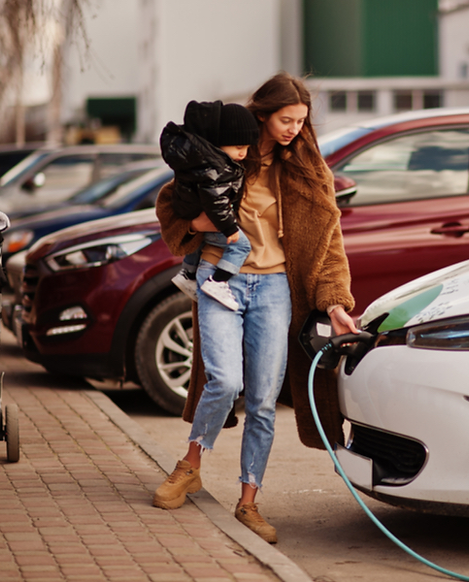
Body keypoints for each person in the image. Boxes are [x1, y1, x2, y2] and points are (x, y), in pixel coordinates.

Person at [152, 73, 359, 544]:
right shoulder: (224, 149)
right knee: (224, 380)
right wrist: (195, 224)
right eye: (286, 119)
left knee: (264, 401)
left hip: (274, 290)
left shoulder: (307, 170)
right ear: (262, 114)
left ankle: (249, 500)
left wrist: (335, 303)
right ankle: (190, 465)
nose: (294, 129)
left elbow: (330, 245)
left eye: (301, 122)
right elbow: (171, 202)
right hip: (217, 278)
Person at [161, 100, 259, 311]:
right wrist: (229, 227)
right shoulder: (218, 167)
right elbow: (215, 200)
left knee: (200, 242)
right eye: (239, 147)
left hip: (194, 212)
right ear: (219, 143)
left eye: (248, 148)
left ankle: (187, 273)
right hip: (214, 221)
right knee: (242, 246)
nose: (244, 154)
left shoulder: (202, 161)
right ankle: (218, 281)